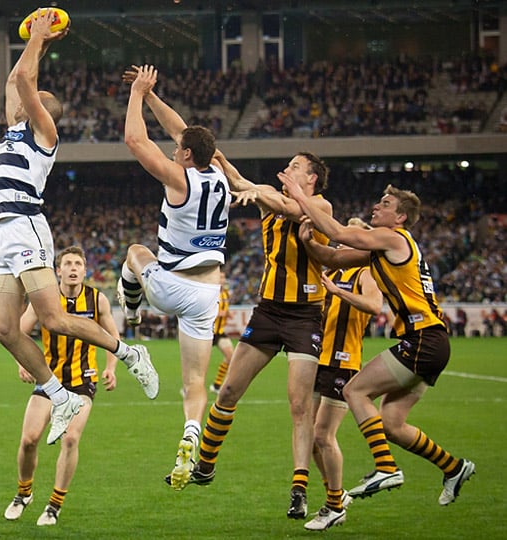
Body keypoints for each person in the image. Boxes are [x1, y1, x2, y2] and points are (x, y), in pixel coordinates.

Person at [0, 10, 157, 447]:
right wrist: (40, 43)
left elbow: (23, 82)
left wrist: (38, 38)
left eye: (30, 99)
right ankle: (59, 396)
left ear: (40, 108)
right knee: (5, 329)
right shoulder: (14, 128)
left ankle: (129, 353)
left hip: (26, 225)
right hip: (2, 233)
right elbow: (14, 82)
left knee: (54, 319)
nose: (19, 101)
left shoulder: (43, 131)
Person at [279, 181, 475, 510]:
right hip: (432, 341)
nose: (376, 207)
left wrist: (300, 197)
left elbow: (340, 234)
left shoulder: (393, 238)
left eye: (384, 204)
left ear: (399, 217)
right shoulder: (381, 248)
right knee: (393, 424)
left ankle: (386, 467)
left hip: (422, 339)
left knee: (355, 391)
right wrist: (308, 242)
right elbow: (335, 256)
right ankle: (454, 468)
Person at [182, 150, 333, 522]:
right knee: (229, 391)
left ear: (312, 178)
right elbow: (243, 186)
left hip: (304, 317)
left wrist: (260, 192)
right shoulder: (272, 197)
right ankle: (206, 465)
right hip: (268, 311)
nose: (289, 168)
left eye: (297, 166)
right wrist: (221, 160)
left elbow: (293, 208)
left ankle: (299, 490)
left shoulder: (320, 205)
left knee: (300, 406)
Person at [118, 64, 230, 489]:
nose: (173, 149)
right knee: (196, 383)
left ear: (185, 156)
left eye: (178, 148)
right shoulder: (216, 172)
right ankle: (190, 434)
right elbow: (183, 131)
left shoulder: (178, 179)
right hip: (208, 293)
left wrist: (136, 96)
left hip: (170, 286)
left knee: (135, 252)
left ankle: (131, 312)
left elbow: (136, 140)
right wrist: (151, 97)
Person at [3, 246, 118, 526]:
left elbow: (112, 336)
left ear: (85, 270)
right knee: (29, 439)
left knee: (70, 438)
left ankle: (54, 505)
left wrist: (111, 368)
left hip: (82, 382)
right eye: (68, 263)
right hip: (49, 379)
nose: (73, 268)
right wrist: (23, 362)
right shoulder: (45, 299)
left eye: (78, 263)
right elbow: (18, 331)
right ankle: (23, 493)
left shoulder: (97, 299)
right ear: (58, 270)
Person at [303, 218, 383, 531]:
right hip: (319, 359)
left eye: (348, 237)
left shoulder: (365, 273)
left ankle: (334, 505)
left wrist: (338, 292)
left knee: (323, 435)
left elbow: (375, 307)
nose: (340, 242)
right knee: (309, 440)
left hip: (345, 361)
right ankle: (337, 496)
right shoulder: (332, 271)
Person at [209, 273, 235, 394]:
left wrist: (228, 314)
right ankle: (189, 388)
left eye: (224, 277)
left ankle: (216, 385)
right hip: (208, 331)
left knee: (231, 357)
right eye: (220, 277)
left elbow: (225, 309)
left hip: (219, 332)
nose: (223, 280)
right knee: (199, 364)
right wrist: (220, 314)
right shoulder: (210, 293)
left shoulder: (225, 293)